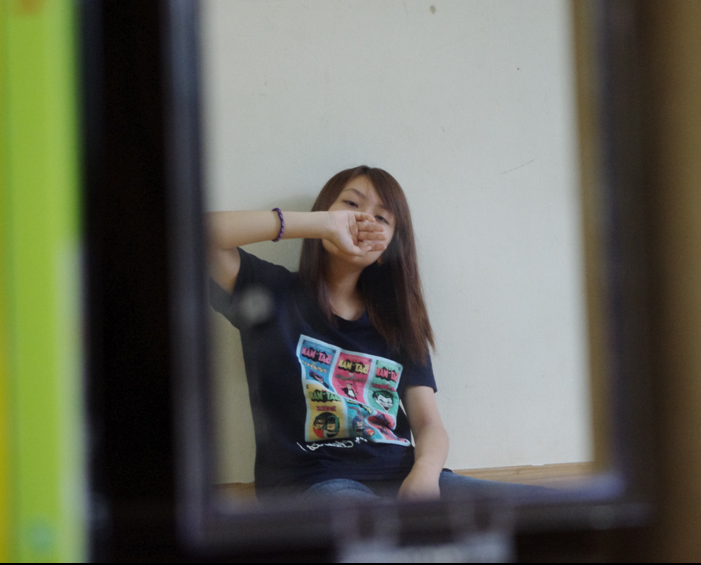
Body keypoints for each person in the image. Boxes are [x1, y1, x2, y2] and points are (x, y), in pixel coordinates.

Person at [207, 165, 558, 503]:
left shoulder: (397, 321)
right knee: (370, 525)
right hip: (312, 483)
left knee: (548, 509)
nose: (362, 220)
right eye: (351, 204)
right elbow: (193, 233)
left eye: (381, 218)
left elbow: (428, 424)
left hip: (404, 476)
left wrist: (425, 474)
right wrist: (321, 225)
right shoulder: (271, 292)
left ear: (388, 249)